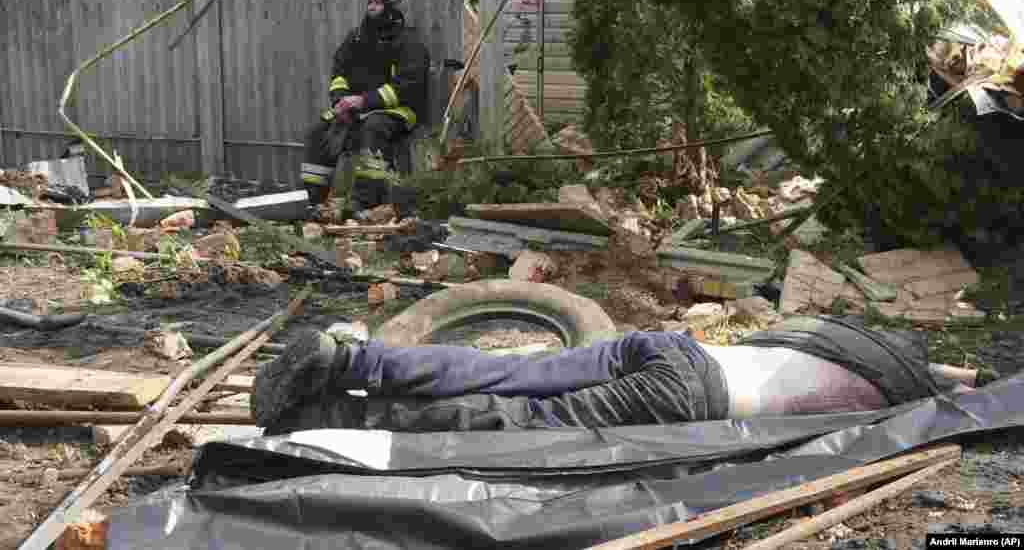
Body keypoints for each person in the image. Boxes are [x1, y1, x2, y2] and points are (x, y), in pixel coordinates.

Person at [251, 315, 980, 435]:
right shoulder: (898, 395)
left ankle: (349, 358)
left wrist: (955, 373)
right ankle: (337, 420)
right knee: (526, 426)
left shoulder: (856, 339)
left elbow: (939, 364)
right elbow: (947, 385)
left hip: (680, 349)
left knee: (508, 370)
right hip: (695, 393)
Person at [301, 0, 430, 220]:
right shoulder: (356, 39)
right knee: (318, 131)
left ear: (391, 8)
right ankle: (313, 202)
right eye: (369, 1)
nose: (370, 6)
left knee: (373, 128)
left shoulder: (409, 44)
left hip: (398, 111)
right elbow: (338, 72)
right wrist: (340, 101)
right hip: (355, 108)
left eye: (377, 3)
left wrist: (364, 101)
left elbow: (407, 88)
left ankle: (364, 203)